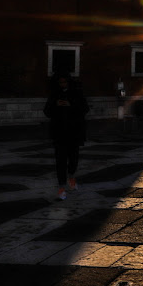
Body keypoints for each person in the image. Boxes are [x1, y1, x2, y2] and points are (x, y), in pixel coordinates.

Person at [43, 72, 89, 200]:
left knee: (74, 158)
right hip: (59, 133)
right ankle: (61, 186)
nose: (63, 84)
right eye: (60, 82)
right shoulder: (54, 95)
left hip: (74, 132)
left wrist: (71, 105)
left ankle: (71, 175)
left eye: (64, 82)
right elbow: (46, 111)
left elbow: (85, 109)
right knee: (60, 161)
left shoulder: (77, 93)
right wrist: (55, 105)